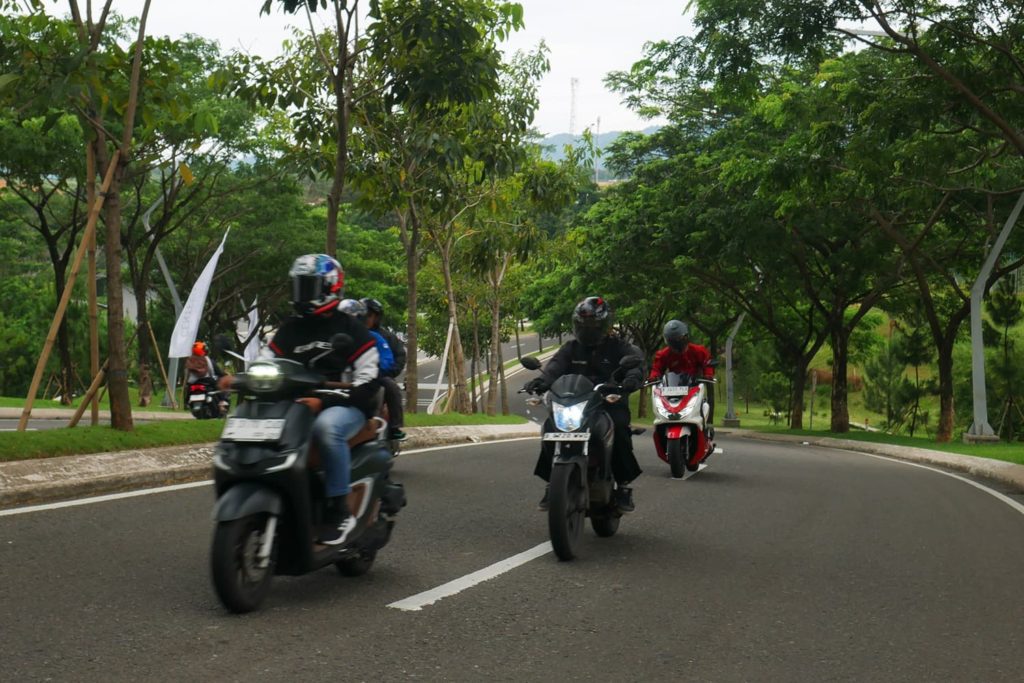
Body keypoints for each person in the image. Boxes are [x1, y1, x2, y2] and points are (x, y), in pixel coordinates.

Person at [219, 254, 380, 546]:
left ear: (330, 287)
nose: (301, 293)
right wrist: (240, 378)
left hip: (343, 405)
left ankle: (338, 510)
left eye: (308, 287)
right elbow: (266, 361)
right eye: (299, 286)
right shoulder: (291, 328)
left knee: (327, 429)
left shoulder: (351, 329)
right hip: (296, 405)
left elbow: (368, 380)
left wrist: (325, 402)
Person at [525, 296, 644, 512]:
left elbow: (635, 365)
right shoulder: (571, 348)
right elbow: (554, 368)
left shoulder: (619, 347)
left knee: (618, 428)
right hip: (575, 403)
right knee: (551, 427)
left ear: (604, 325)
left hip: (608, 403)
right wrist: (541, 381)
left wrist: (631, 379)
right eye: (583, 325)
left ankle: (623, 486)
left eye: (592, 325)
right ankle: (553, 483)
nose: (587, 329)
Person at [648, 319, 715, 421]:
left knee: (704, 406)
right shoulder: (663, 354)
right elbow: (656, 368)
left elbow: (707, 363)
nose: (676, 343)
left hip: (694, 387)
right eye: (673, 340)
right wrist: (653, 377)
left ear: (686, 337)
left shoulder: (699, 351)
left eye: (679, 339)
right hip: (672, 389)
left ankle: (703, 425)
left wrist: (708, 375)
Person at [361, 297, 407, 441]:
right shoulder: (352, 333)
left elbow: (399, 356)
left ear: (377, 317)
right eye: (363, 314)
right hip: (354, 376)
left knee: (391, 386)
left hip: (380, 376)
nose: (366, 318)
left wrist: (387, 372)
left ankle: (395, 427)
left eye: (369, 315)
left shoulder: (386, 337)